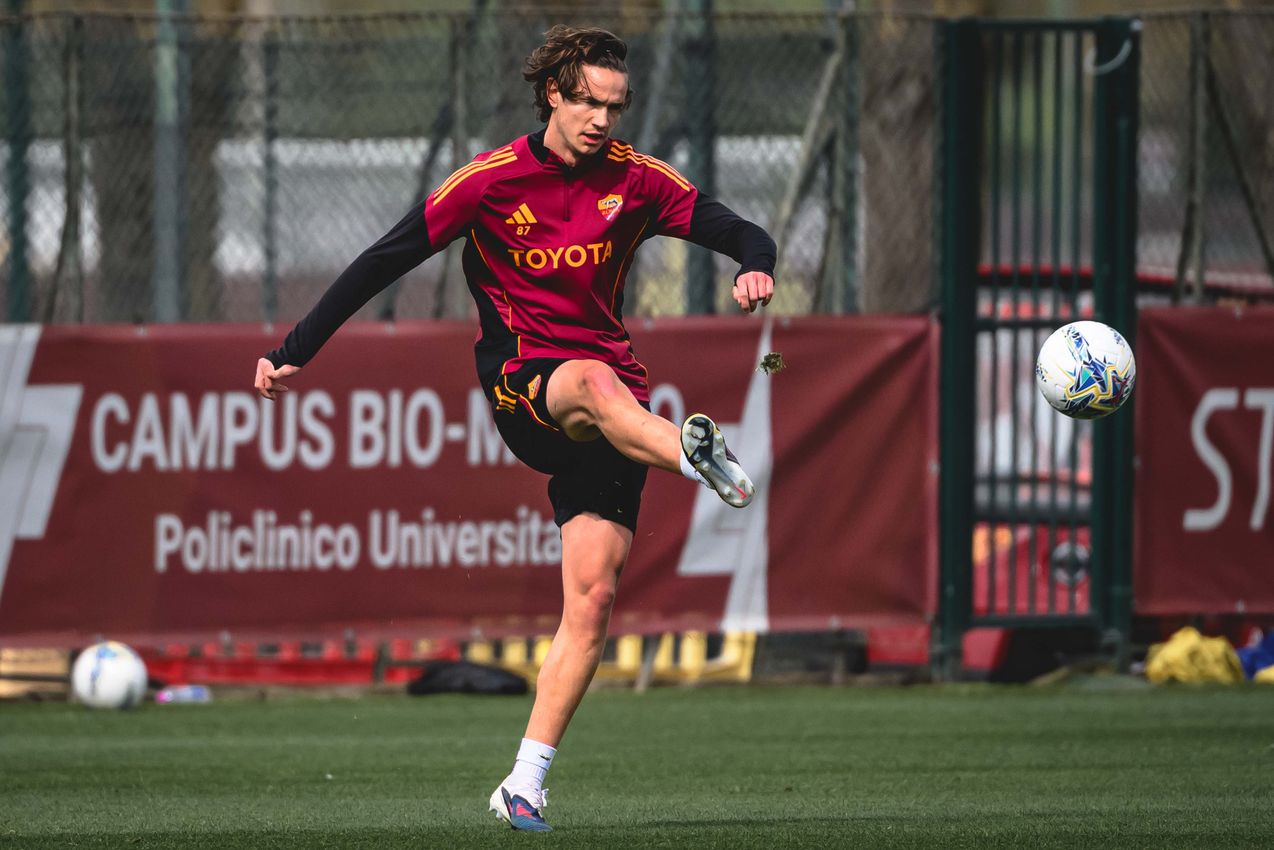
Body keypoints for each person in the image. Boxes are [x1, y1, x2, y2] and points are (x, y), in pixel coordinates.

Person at [254, 25, 776, 832]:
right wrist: (296, 351)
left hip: (617, 409)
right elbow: (381, 259)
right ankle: (692, 453)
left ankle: (523, 783)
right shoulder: (491, 181)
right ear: (553, 97)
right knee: (597, 385)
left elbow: (739, 229)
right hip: (525, 385)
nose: (603, 119)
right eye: (589, 102)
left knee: (594, 600)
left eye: (616, 104)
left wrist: (754, 263)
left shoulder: (637, 181)